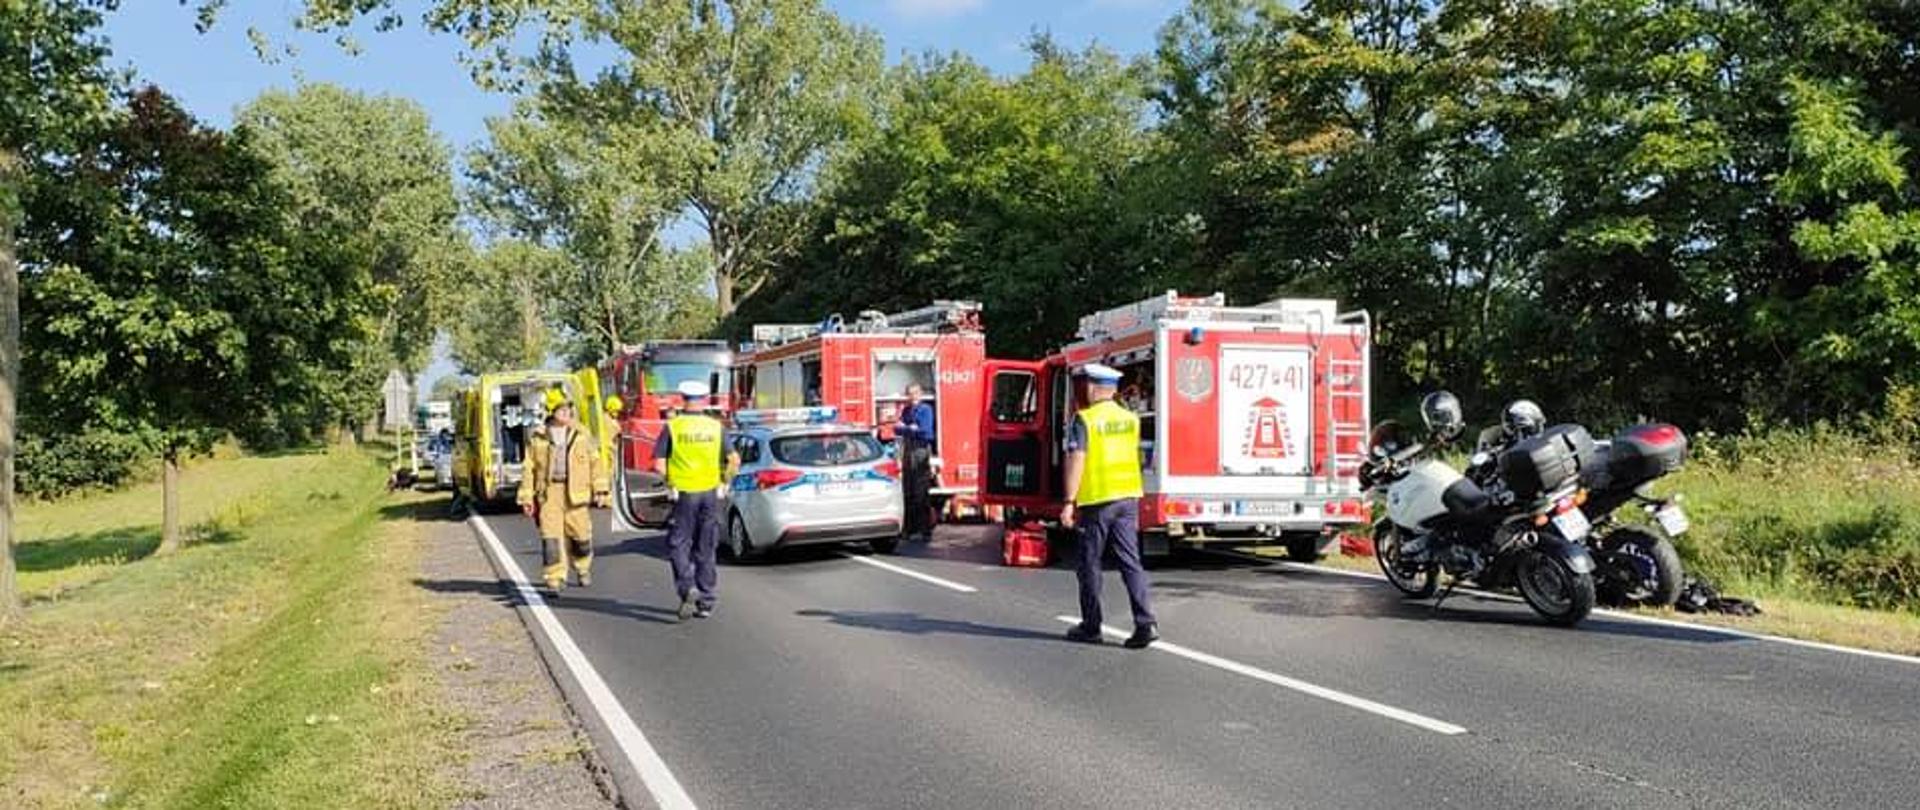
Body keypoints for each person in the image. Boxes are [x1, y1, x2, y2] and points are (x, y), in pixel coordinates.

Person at [1061, 364, 1159, 649]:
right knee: (1130, 561)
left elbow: (1077, 460)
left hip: (1098, 500)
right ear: (1114, 390)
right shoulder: (1130, 419)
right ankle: (1146, 623)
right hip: (1127, 497)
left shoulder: (1085, 419)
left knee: (1089, 564)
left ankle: (1091, 626)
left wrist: (1068, 501)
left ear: (1092, 388)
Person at [653, 381, 739, 620]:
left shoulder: (673, 427)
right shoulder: (716, 427)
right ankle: (706, 601)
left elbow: (658, 464)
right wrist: (724, 481)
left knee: (678, 544)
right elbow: (734, 460)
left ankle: (687, 586)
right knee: (706, 547)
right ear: (704, 400)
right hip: (710, 493)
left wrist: (670, 482)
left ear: (683, 399)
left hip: (684, 494)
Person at [518, 387, 609, 594]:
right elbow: (529, 468)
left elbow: (596, 463)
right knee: (551, 539)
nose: (567, 413)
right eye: (561, 410)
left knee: (580, 538)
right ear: (551, 412)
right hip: (550, 493)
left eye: (568, 409)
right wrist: (527, 497)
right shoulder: (538, 437)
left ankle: (582, 567)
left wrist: (601, 489)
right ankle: (554, 578)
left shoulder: (581, 434)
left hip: (577, 493)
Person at [893, 383, 937, 542]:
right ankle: (909, 529)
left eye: (914, 393)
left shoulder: (926, 410)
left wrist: (909, 429)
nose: (911, 397)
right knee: (908, 491)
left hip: (920, 451)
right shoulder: (906, 410)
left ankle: (925, 530)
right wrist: (909, 429)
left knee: (921, 492)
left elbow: (926, 432)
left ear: (920, 394)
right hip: (908, 451)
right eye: (909, 394)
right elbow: (897, 429)